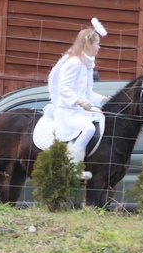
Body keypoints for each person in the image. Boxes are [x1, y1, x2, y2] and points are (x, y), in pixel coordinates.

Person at [47, 18, 109, 164]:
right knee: (88, 129)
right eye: (97, 44)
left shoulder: (87, 65)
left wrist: (103, 99)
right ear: (88, 44)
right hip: (68, 111)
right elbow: (63, 87)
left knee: (101, 119)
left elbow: (87, 93)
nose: (99, 47)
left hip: (79, 111)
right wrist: (78, 101)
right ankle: (72, 163)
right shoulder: (74, 62)